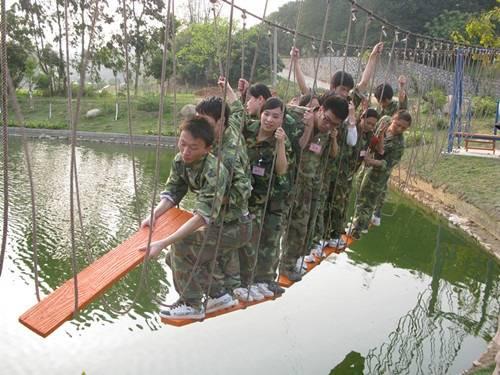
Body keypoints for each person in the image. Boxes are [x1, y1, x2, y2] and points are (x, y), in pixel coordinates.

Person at [139, 117, 251, 320]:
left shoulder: (214, 171)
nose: (186, 151)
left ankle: (191, 304)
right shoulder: (180, 160)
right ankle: (219, 295)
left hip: (236, 228)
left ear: (208, 149)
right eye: (182, 144)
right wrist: (154, 215)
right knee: (172, 258)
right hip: (219, 224)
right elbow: (172, 193)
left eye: (193, 147)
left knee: (182, 244)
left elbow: (202, 217)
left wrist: (164, 241)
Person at [280, 95, 349, 281]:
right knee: (275, 227)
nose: (328, 126)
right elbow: (272, 111)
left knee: (301, 228)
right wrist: (309, 126)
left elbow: (325, 158)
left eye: (334, 124)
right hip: (284, 184)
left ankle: (287, 265)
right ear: (320, 110)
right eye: (326, 120)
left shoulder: (329, 132)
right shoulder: (297, 116)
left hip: (306, 187)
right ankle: (264, 272)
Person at [194, 96, 254, 297]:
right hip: (226, 219)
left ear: (220, 122)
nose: (199, 127)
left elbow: (243, 190)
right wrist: (228, 89)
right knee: (226, 267)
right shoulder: (232, 126)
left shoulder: (228, 154)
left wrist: (215, 199)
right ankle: (228, 289)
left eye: (206, 123)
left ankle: (217, 295)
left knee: (186, 253)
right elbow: (238, 111)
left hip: (231, 221)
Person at [238, 97, 292, 299]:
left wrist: (280, 144)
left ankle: (263, 280)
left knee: (265, 240)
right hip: (242, 197)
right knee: (245, 240)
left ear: (282, 119)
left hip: (265, 199)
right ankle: (244, 282)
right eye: (266, 114)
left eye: (275, 116)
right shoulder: (247, 130)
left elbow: (281, 170)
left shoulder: (279, 141)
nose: (269, 119)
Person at [350, 110, 412, 239]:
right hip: (367, 165)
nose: (399, 129)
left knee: (368, 200)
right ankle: (359, 220)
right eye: (397, 125)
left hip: (378, 174)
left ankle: (358, 229)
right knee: (360, 193)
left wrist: (371, 161)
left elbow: (387, 165)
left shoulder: (399, 144)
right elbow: (373, 133)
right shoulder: (384, 120)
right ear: (393, 119)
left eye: (404, 128)